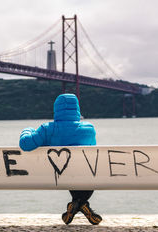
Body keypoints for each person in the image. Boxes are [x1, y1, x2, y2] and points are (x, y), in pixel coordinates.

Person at [19, 93, 102, 225]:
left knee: (69, 170)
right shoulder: (89, 129)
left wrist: (28, 130)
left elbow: (25, 144)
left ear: (56, 109)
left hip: (61, 174)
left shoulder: (47, 129)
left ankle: (78, 203)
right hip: (86, 176)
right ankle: (80, 203)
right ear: (77, 109)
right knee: (84, 172)